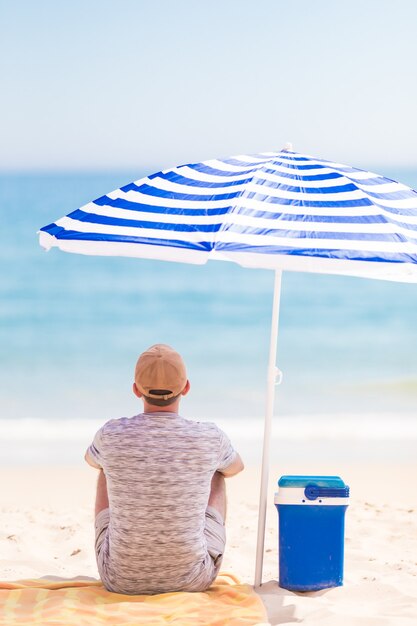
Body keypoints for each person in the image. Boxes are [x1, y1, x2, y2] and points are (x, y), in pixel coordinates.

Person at [85, 343, 244, 595]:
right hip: (193, 579)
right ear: (187, 387)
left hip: (120, 579)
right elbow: (237, 467)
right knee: (217, 471)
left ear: (136, 390)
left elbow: (90, 460)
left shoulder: (111, 434)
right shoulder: (209, 437)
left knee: (106, 467)